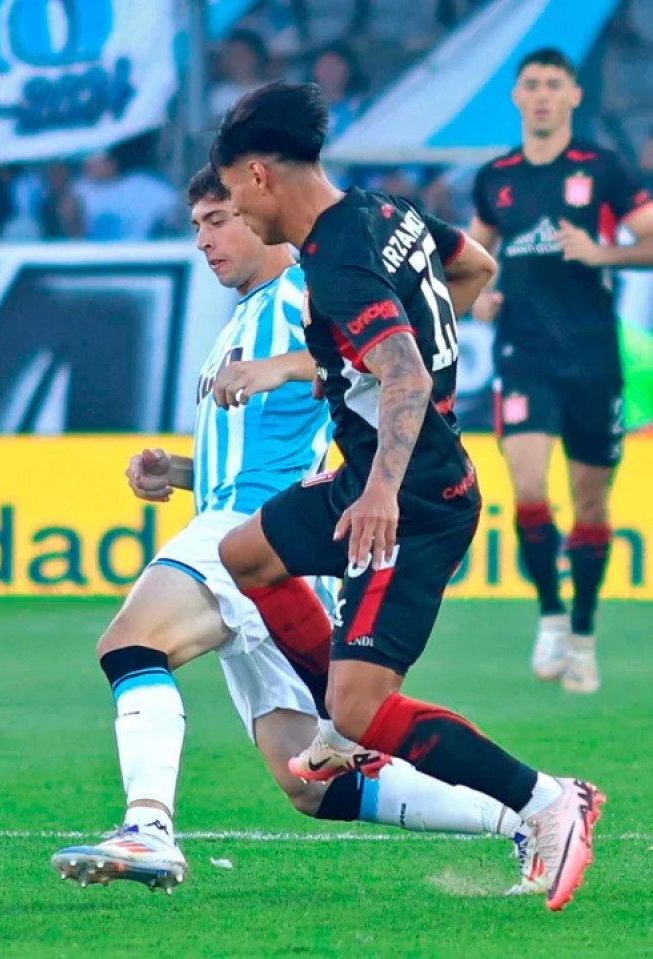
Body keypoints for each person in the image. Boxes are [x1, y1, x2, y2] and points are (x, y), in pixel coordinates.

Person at [50, 166, 532, 896]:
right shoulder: (242, 316)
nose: (206, 239)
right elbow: (282, 430)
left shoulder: (303, 288)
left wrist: (283, 366)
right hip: (259, 540)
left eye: (220, 218)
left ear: (260, 208)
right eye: (197, 227)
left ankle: (147, 826)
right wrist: (178, 471)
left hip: (257, 538)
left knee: (130, 642)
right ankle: (526, 813)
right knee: (311, 782)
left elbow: (373, 350)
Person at [211, 81, 604, 913]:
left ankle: (547, 802)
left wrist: (384, 486)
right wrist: (404, 369)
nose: (236, 218)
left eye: (232, 200)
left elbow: (402, 371)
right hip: (369, 475)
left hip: (415, 499)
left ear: (257, 176)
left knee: (361, 707)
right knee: (245, 553)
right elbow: (474, 266)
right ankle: (334, 731)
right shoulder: (385, 212)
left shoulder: (338, 264)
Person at [468, 48, 653, 693]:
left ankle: (582, 629)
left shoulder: (602, 169)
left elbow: (649, 237)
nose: (542, 95)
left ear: (574, 95)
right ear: (516, 98)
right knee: (526, 487)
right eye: (532, 86)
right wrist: (477, 299)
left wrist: (602, 251)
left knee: (591, 500)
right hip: (524, 353)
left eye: (554, 84)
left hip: (593, 356)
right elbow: (469, 258)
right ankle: (549, 613)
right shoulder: (495, 177)